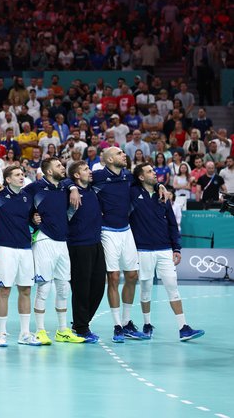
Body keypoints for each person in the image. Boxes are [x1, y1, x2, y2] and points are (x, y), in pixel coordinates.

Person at [78, 147, 153, 343]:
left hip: (126, 230)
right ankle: (117, 326)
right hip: (107, 232)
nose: (124, 155)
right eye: (119, 153)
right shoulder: (99, 176)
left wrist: (160, 186)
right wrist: (70, 187)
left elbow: (148, 182)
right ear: (110, 159)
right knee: (113, 277)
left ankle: (127, 323)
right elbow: (74, 180)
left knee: (132, 275)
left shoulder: (128, 177)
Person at [130, 163, 204, 341]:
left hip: (164, 249)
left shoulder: (163, 196)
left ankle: (183, 327)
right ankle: (147, 324)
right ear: (141, 177)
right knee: (146, 289)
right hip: (143, 250)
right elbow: (126, 178)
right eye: (149, 171)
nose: (154, 173)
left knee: (173, 288)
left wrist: (176, 247)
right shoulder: (132, 193)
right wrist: (158, 185)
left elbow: (172, 223)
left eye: (153, 170)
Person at [24, 158, 85, 345]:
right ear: (49, 171)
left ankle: (62, 330)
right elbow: (19, 202)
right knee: (44, 287)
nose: (62, 168)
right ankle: (40, 330)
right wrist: (31, 218)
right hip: (44, 239)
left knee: (63, 287)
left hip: (62, 242)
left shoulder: (64, 186)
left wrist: (73, 188)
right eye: (58, 166)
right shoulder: (34, 188)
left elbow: (68, 181)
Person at [0, 165, 41, 347]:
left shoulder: (27, 197)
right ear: (8, 179)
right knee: (4, 290)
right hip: (6, 249)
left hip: (25, 249)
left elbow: (33, 218)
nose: (21, 177)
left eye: (22, 174)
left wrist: (36, 220)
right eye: (17, 175)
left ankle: (24, 333)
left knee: (25, 290)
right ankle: (1, 334)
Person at [66, 161, 105, 343]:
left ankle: (81, 322)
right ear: (75, 175)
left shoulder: (93, 190)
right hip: (78, 245)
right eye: (85, 169)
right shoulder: (69, 192)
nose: (90, 172)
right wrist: (72, 187)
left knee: (98, 287)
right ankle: (81, 327)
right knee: (81, 288)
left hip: (96, 243)